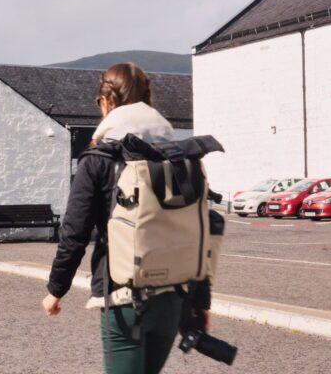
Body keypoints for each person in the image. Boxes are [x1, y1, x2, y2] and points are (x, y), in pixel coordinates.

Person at [42, 62, 207, 374]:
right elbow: (198, 229)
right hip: (173, 297)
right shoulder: (179, 156)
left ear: (107, 102)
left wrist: (55, 289)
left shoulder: (99, 160)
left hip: (124, 299)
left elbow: (74, 233)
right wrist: (201, 301)